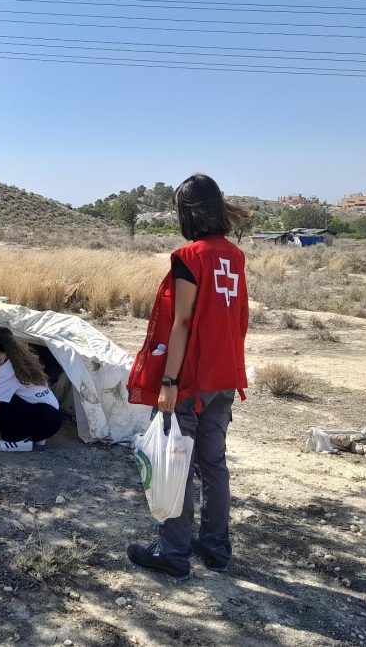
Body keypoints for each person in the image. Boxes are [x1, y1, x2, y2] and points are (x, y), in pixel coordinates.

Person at [126, 173, 250, 580]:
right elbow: (237, 317)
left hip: (192, 381)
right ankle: (216, 548)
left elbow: (181, 323)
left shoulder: (189, 257)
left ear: (187, 213)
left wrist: (168, 382)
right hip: (225, 376)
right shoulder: (234, 255)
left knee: (175, 460)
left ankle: (174, 552)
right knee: (214, 465)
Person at [0, 327, 62, 452]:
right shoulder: (24, 358)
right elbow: (1, 358)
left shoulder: (6, 371)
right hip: (53, 419)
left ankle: (16, 441)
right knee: (11, 395)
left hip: (43, 422)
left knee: (0, 400)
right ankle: (36, 437)